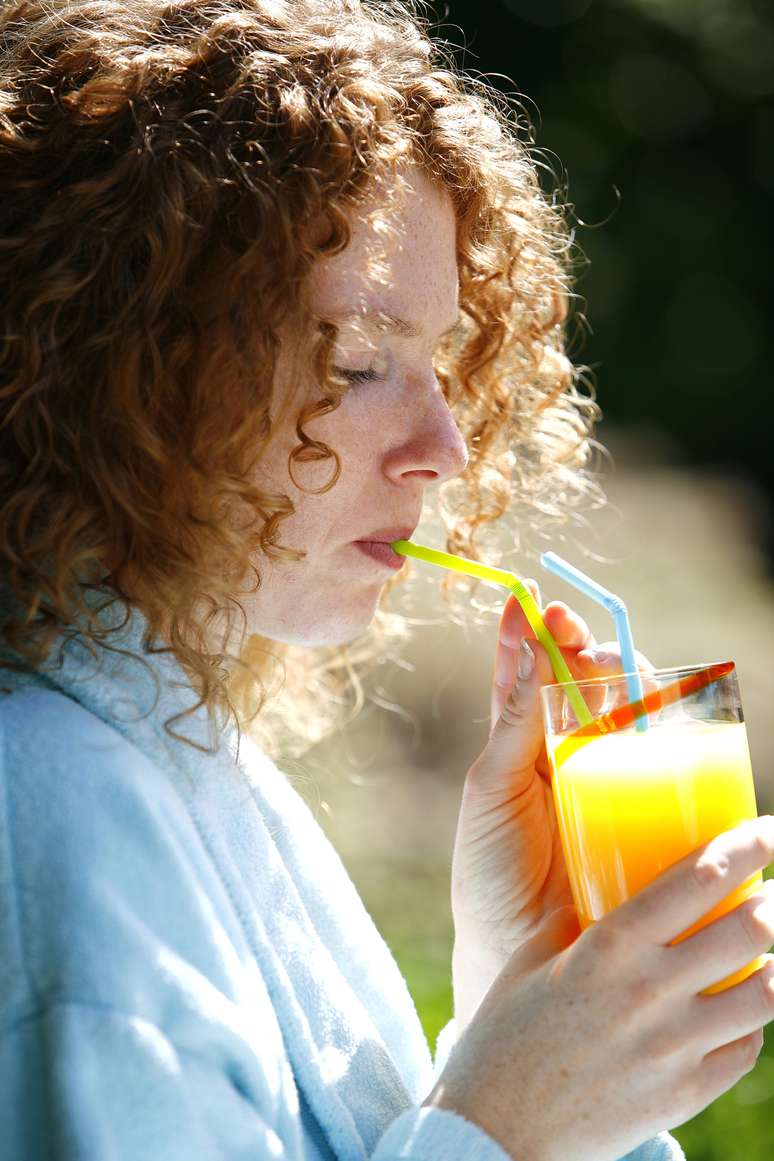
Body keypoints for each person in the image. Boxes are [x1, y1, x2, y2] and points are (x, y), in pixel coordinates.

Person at [1, 2, 773, 1159]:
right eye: (359, 361)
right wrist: (503, 1127)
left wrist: (514, 991)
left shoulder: (188, 761)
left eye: (442, 360)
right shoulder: (61, 799)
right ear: (126, 366)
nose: (447, 447)